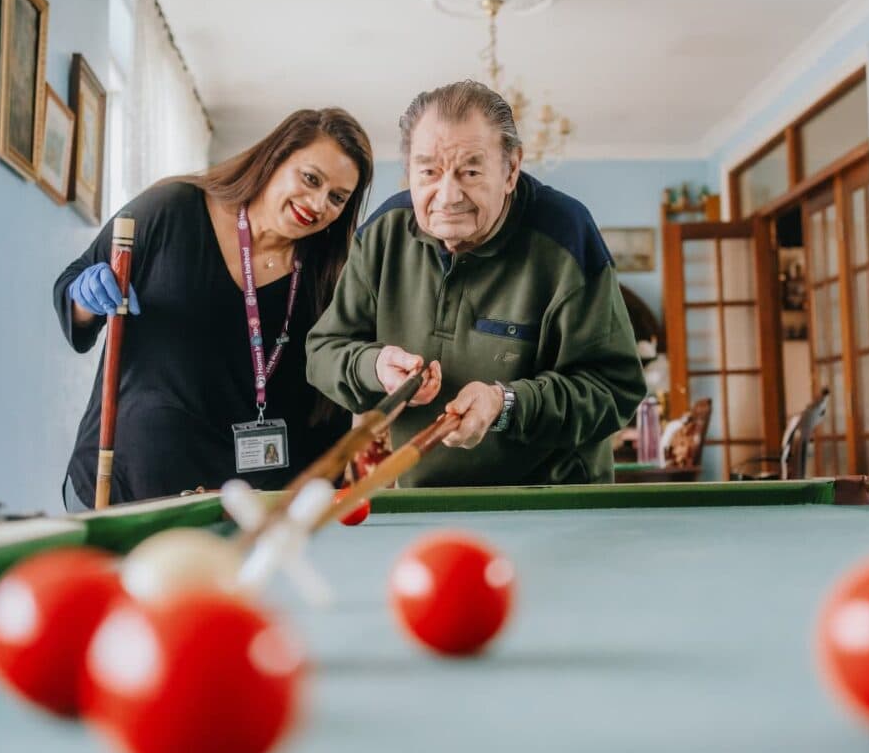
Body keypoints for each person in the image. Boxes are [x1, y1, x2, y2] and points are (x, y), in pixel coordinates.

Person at [306, 81, 645, 487]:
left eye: (469, 171)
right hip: (422, 500)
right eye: (428, 171)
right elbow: (323, 352)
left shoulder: (566, 235)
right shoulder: (382, 233)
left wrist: (507, 404)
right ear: (409, 171)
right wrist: (374, 367)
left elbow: (614, 388)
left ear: (511, 169)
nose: (448, 196)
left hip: (550, 500)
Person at [55, 108, 373, 510]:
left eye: (337, 198)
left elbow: (324, 404)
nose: (317, 203)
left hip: (240, 508)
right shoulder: (171, 209)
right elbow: (73, 286)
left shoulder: (329, 274)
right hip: (124, 487)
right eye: (311, 179)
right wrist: (86, 297)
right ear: (275, 159)